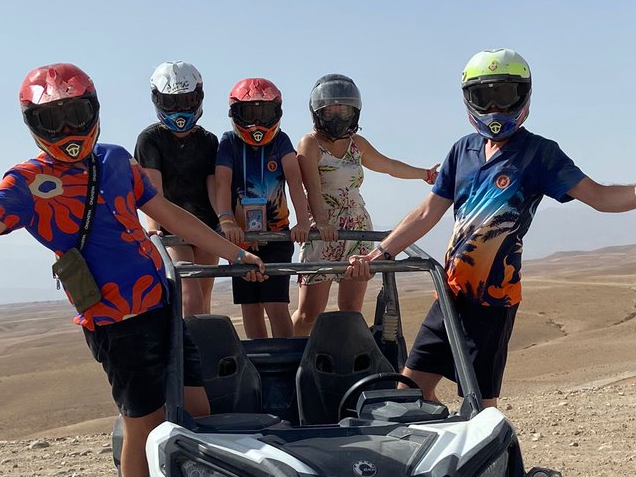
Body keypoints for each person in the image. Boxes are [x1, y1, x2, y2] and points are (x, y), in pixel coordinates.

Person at [0, 63, 265, 477]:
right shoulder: (27, 182)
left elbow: (171, 216)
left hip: (161, 303)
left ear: (94, 111)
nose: (68, 128)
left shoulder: (116, 159)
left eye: (77, 114)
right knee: (143, 423)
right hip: (113, 320)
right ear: (34, 125)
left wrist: (235, 253)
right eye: (54, 119)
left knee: (194, 408)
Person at [347, 49, 636, 409]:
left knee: (480, 406)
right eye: (484, 97)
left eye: (504, 96)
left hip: (493, 299)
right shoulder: (462, 151)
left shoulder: (539, 154)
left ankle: (495, 463)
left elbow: (597, 196)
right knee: (411, 392)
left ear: (524, 97)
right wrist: (380, 254)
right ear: (469, 100)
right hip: (450, 294)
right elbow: (427, 212)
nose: (494, 109)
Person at [292, 73, 439, 336]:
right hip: (324, 231)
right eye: (331, 108)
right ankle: (291, 361)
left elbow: (389, 166)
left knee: (350, 310)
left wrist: (424, 173)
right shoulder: (310, 143)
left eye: (344, 108)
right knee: (309, 313)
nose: (337, 114)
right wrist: (322, 223)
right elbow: (311, 188)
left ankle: (344, 365)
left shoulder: (356, 145)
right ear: (318, 110)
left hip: (357, 228)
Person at [214, 77, 310, 338]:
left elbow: (295, 181)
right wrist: (226, 221)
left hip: (277, 236)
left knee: (276, 306)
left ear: (276, 112)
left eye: (263, 112)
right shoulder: (229, 143)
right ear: (235, 113)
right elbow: (222, 183)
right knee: (251, 307)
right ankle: (259, 364)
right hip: (239, 239)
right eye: (249, 112)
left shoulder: (281, 142)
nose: (257, 122)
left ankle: (287, 364)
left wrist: (303, 222)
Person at [135, 61, 220, 317]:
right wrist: (154, 229)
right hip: (170, 228)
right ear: (158, 100)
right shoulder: (149, 140)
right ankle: (189, 354)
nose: (180, 109)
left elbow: (213, 187)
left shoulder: (208, 141)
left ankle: (201, 355)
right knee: (189, 298)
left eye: (186, 101)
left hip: (205, 225)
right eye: (171, 102)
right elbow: (153, 193)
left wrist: (223, 222)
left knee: (203, 301)